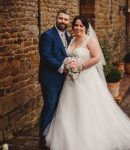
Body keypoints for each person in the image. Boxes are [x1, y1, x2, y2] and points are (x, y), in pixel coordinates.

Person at [44, 15, 130, 150]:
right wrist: (71, 67)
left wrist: (79, 67)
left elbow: (96, 58)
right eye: (76, 25)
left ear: (86, 28)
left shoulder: (90, 40)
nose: (78, 28)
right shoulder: (71, 40)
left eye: (81, 25)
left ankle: (89, 140)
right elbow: (67, 57)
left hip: (87, 78)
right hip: (71, 80)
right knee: (70, 108)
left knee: (87, 108)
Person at [38, 9, 71, 147]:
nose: (63, 21)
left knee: (59, 108)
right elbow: (46, 56)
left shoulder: (69, 36)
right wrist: (62, 67)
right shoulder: (47, 35)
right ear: (56, 19)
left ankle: (54, 136)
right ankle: (43, 138)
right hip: (50, 79)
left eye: (65, 19)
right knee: (50, 106)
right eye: (61, 18)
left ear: (68, 21)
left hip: (65, 79)